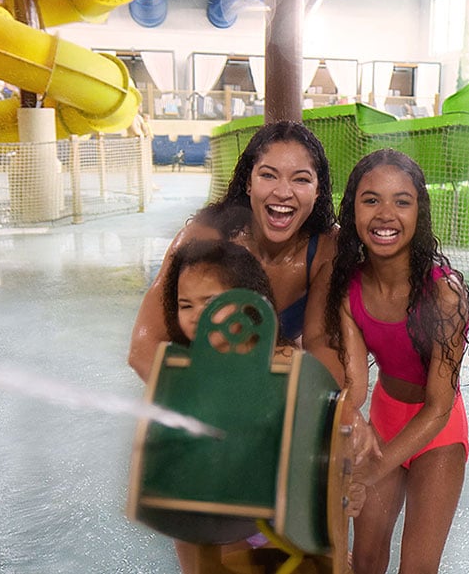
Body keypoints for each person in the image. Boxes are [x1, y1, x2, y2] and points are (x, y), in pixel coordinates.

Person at [156, 237, 368, 573]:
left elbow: (329, 457)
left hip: (286, 527)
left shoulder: (286, 369)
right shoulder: (188, 377)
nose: (199, 316)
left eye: (211, 302)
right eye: (186, 305)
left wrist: (346, 493)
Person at [325, 148, 469, 574]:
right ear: (352, 210)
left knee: (417, 568)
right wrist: (344, 440)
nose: (385, 214)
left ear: (419, 212)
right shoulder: (349, 289)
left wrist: (370, 472)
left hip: (438, 433)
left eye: (401, 201)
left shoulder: (444, 295)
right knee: (367, 561)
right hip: (384, 419)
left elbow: (439, 405)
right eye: (371, 200)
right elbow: (355, 387)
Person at [128, 120, 341, 383]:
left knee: (286, 354)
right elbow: (143, 346)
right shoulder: (206, 237)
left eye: (301, 179)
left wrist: (320, 403)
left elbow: (321, 344)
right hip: (192, 376)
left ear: (318, 191)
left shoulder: (325, 249)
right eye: (268, 175)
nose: (283, 192)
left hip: (263, 376)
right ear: (248, 183)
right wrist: (200, 404)